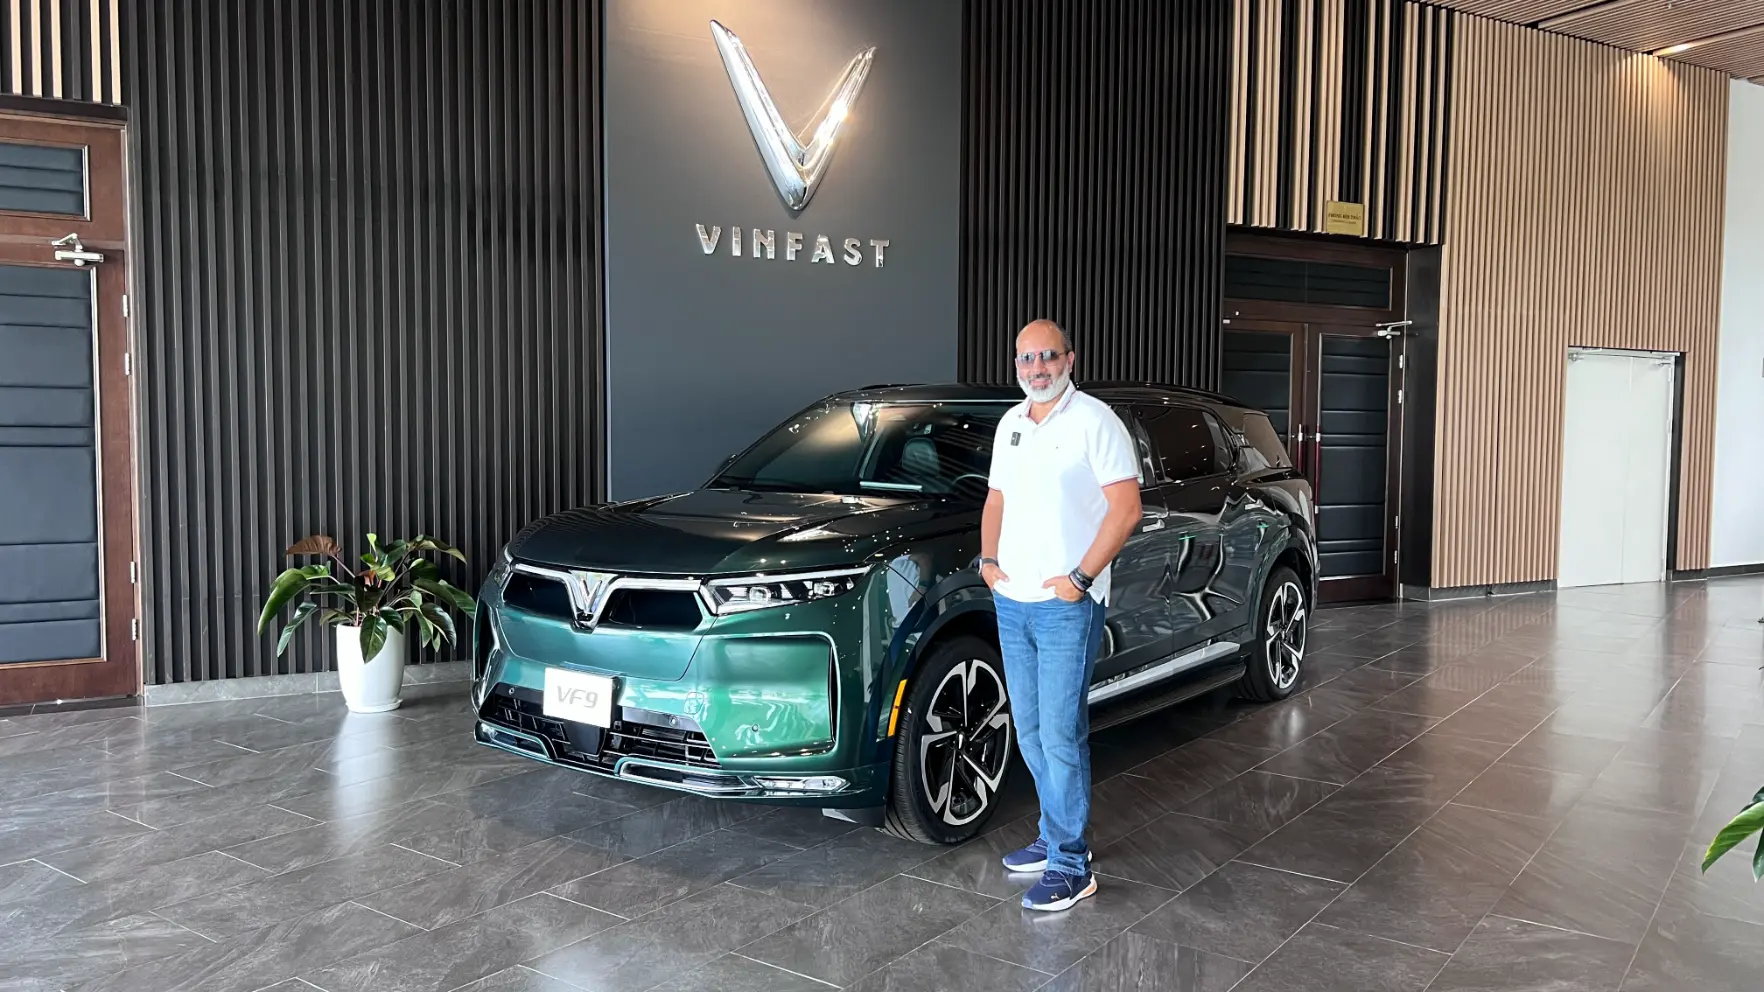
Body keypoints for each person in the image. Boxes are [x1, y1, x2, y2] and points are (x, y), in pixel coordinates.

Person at [979, 318, 1141, 912]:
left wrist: (1080, 579)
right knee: (1028, 730)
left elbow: (1126, 509)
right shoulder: (1012, 423)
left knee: (1060, 734)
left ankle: (1072, 865)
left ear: (1070, 359)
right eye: (1026, 358)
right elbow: (996, 497)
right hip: (1012, 599)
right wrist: (989, 561)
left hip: (1065, 606)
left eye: (1047, 356)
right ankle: (1052, 836)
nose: (1037, 368)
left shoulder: (1096, 421)